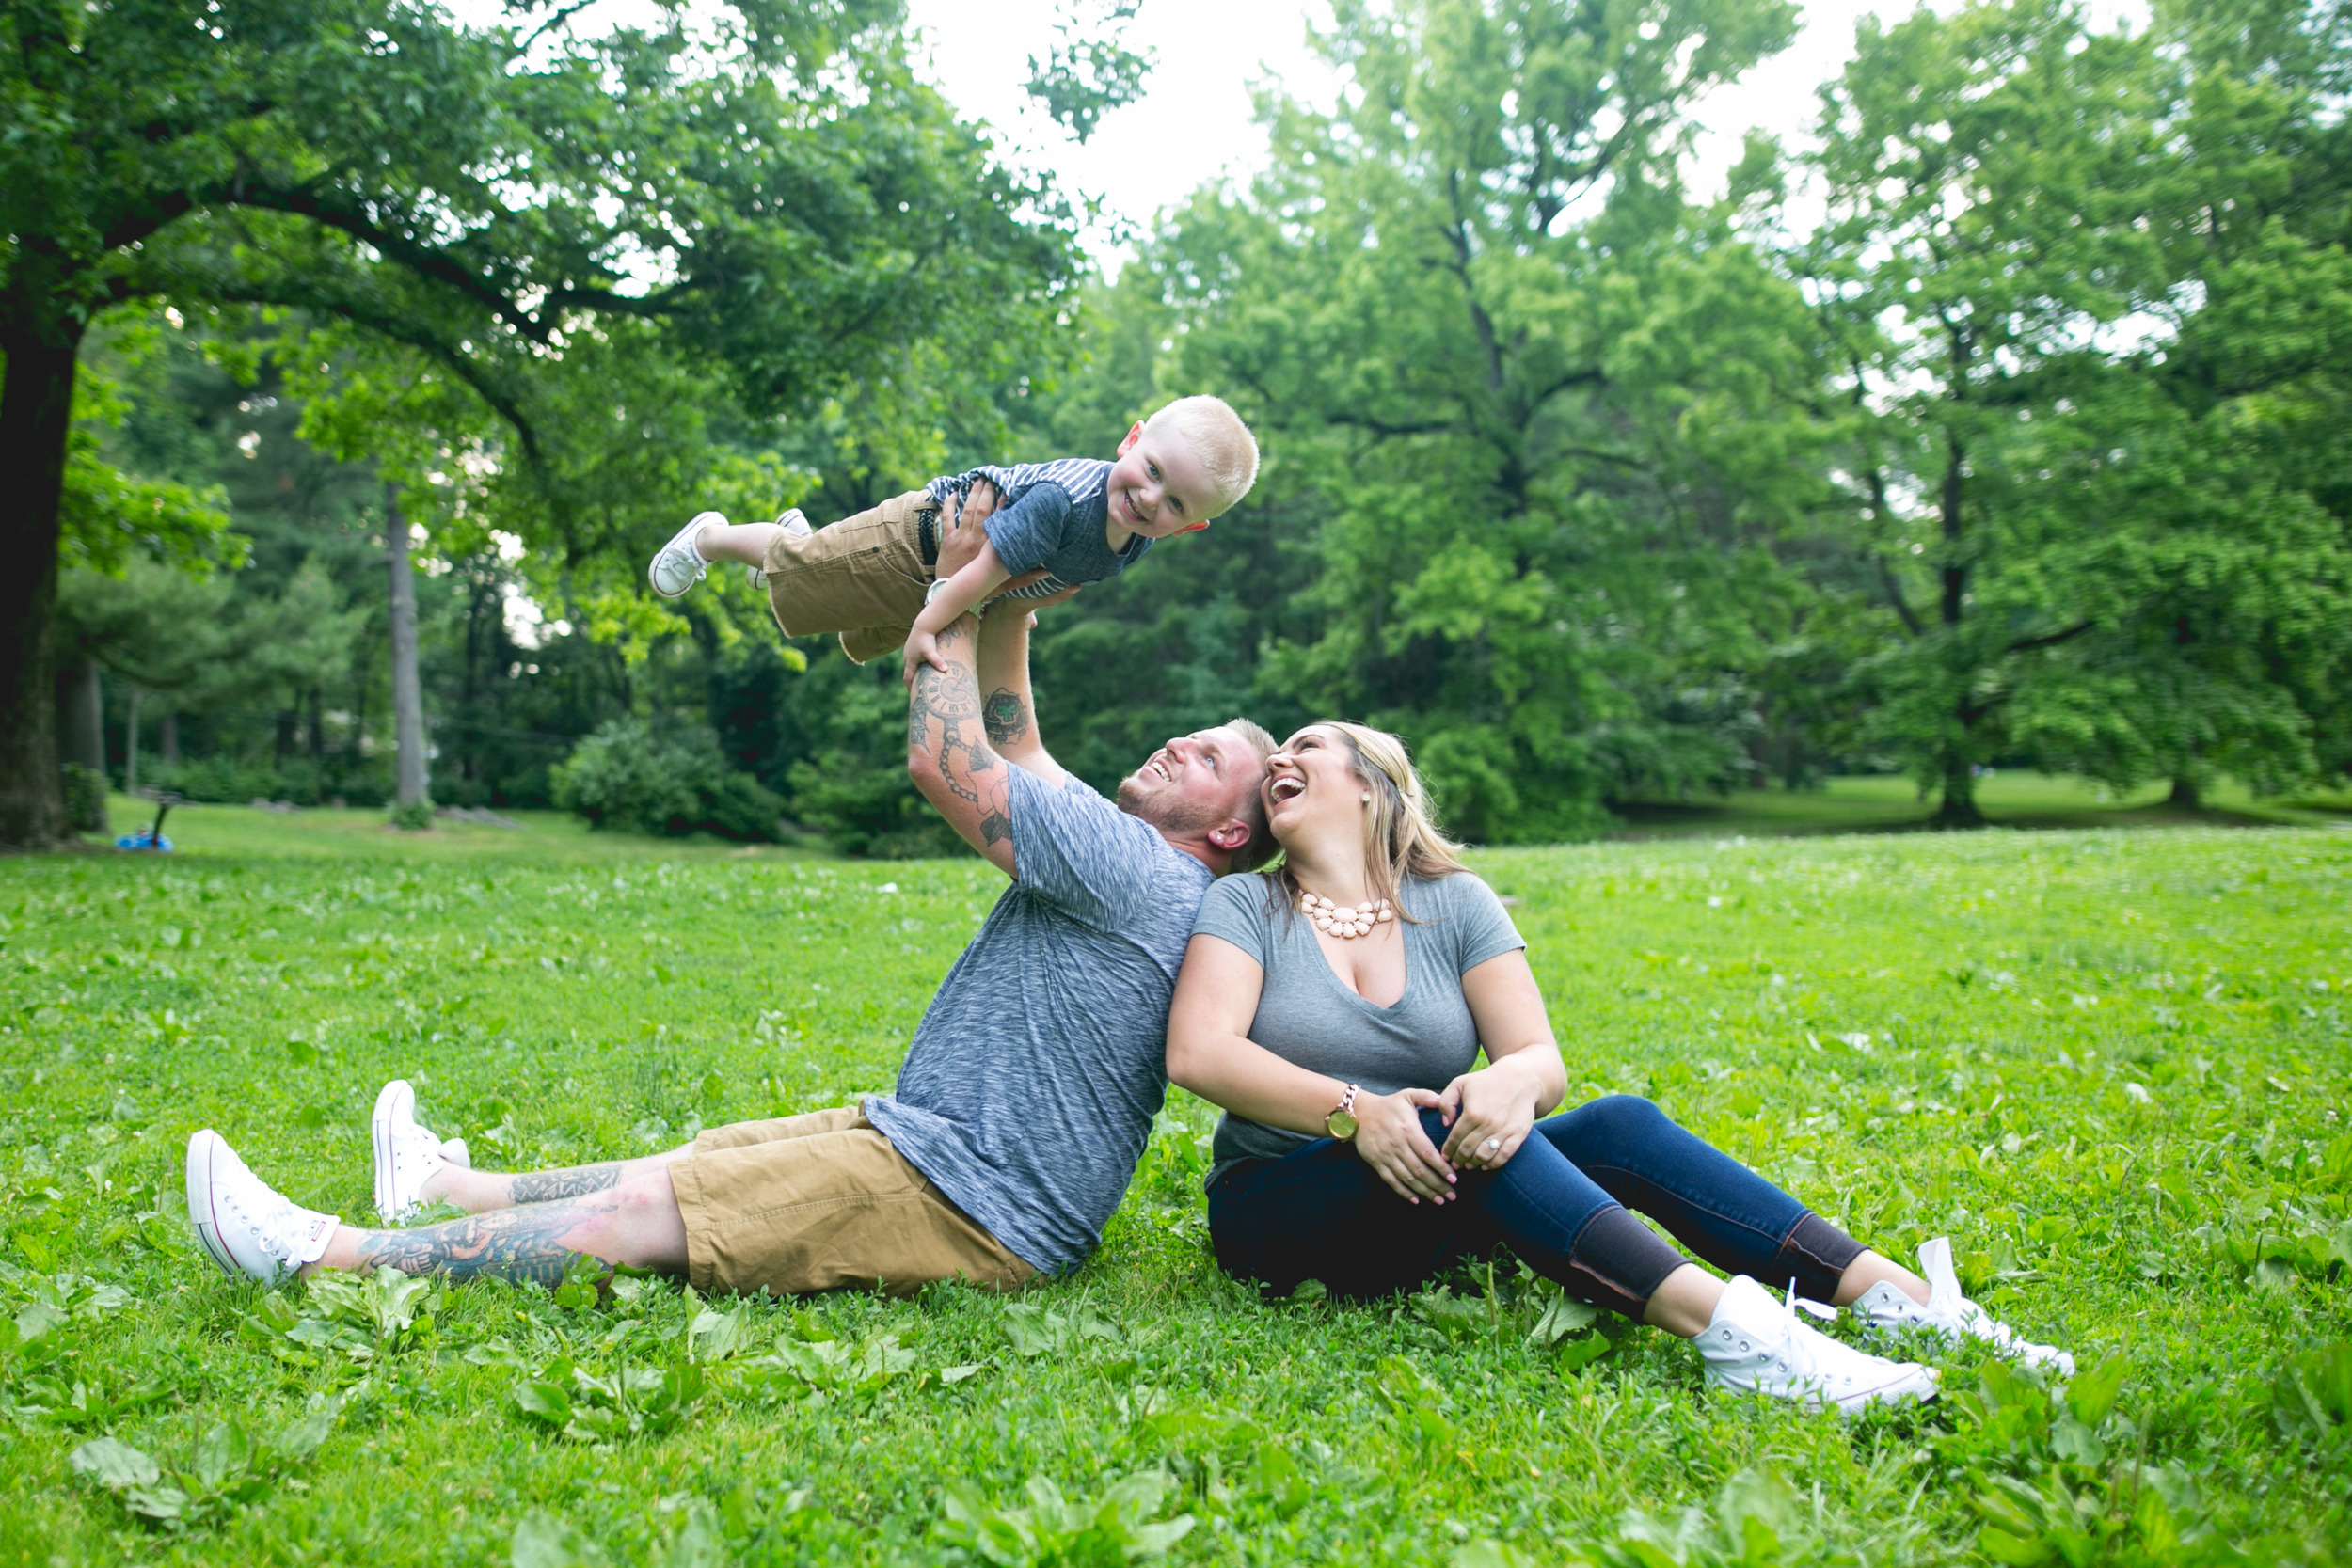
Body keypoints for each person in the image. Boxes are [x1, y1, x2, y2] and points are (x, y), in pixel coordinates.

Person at [185, 493, 1281, 1298]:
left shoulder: (1143, 867)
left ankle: (323, 1256)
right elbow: (1016, 737)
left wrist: (945, 597)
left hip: (978, 1202)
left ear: (1228, 830)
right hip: (935, 1142)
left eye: (1209, 759)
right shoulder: (1134, 855)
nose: (1183, 741)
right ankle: (449, 1188)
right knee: (707, 1159)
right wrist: (1010, 586)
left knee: (667, 1211)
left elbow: (954, 765)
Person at [1165, 721, 2076, 1414]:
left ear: (1371, 785)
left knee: (1620, 1124)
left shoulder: (1454, 903)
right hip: (1277, 1208)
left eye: (1307, 746)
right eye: (1275, 755)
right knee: (1447, 1122)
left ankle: (1900, 1299)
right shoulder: (1248, 904)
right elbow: (1199, 1051)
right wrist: (1355, 1109)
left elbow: (1539, 1059)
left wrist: (1510, 1083)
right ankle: (1731, 1329)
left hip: (1427, 1197)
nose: (1282, 757)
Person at [644, 395, 1259, 686]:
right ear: (1131, 440)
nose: (1151, 498)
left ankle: (800, 537)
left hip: (952, 578)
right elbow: (984, 565)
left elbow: (1046, 574)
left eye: (1175, 502)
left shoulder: (1136, 538)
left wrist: (1022, 601)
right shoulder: (1062, 502)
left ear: (1191, 526)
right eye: (1152, 471)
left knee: (842, 625)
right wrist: (929, 624)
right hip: (919, 539)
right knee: (801, 567)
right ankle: (714, 537)